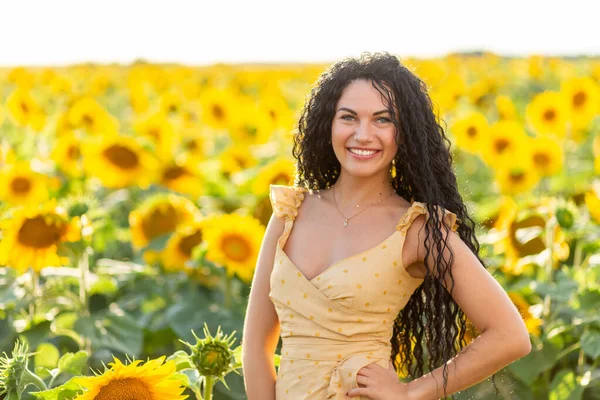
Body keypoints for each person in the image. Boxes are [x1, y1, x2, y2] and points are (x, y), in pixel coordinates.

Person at [242, 52, 531, 400]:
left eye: (383, 120)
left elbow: (510, 335)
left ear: (404, 133)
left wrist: (411, 393)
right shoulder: (290, 214)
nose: (363, 134)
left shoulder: (418, 229)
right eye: (349, 117)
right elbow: (257, 347)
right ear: (328, 124)